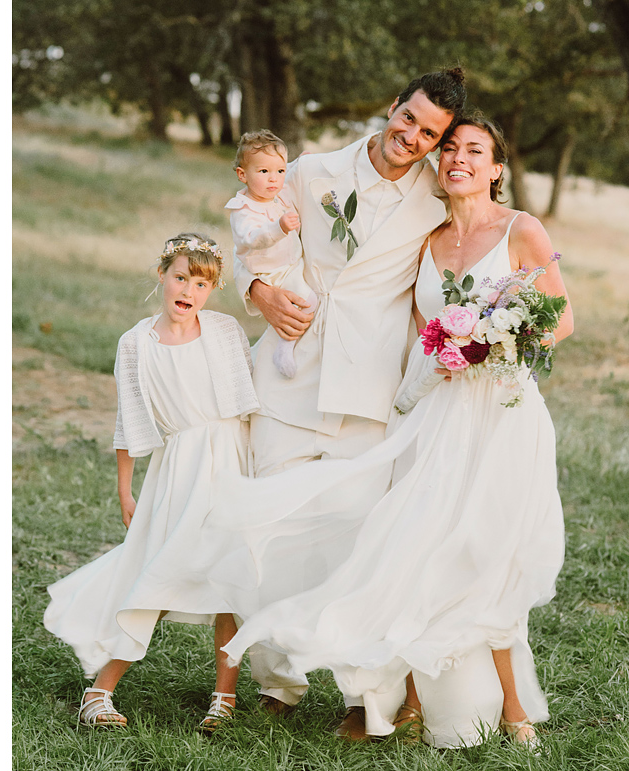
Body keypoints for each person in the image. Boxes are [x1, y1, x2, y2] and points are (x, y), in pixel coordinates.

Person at [218, 114, 572, 748]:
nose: (453, 156)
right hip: (420, 411)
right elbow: (261, 229)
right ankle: (356, 691)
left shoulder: (519, 229)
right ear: (395, 113)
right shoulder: (422, 231)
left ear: (497, 168)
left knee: (484, 551)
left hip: (497, 412)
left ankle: (507, 708)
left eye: (471, 150)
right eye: (448, 145)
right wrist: (258, 289)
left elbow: (558, 320)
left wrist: (489, 341)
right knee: (410, 545)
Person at [230, 68, 464, 735]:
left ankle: (369, 699)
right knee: (270, 530)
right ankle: (278, 678)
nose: (412, 137)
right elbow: (251, 239)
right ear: (391, 106)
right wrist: (260, 295)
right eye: (409, 118)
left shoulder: (436, 199)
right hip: (289, 370)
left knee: (359, 543)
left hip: (368, 388)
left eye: (430, 133)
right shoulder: (308, 171)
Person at [42, 234, 258, 733]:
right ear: (162, 275)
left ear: (212, 289)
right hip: (180, 467)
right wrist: (125, 489)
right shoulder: (137, 343)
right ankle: (99, 691)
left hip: (232, 460)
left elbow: (252, 401)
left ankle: (223, 699)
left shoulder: (225, 331)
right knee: (159, 575)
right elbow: (129, 422)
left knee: (232, 576)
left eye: (201, 283)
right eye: (181, 277)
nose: (189, 290)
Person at [225, 130, 310, 378]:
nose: (274, 179)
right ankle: (284, 348)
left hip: (288, 265)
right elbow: (252, 238)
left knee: (306, 303)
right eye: (263, 172)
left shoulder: (273, 194)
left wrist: (302, 163)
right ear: (243, 175)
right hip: (271, 273)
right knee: (307, 302)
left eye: (280, 172)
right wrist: (279, 227)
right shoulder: (243, 209)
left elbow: (281, 165)